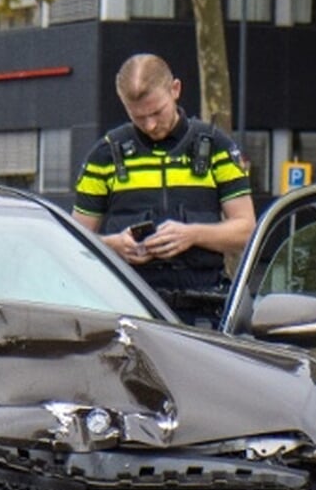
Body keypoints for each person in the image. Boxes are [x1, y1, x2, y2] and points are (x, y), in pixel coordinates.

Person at [73, 55, 255, 319]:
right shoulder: (104, 156)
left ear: (175, 90)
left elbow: (246, 231)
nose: (150, 125)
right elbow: (73, 242)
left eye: (157, 112)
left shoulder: (216, 147)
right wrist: (114, 245)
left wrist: (193, 235)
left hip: (203, 312)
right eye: (138, 116)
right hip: (131, 312)